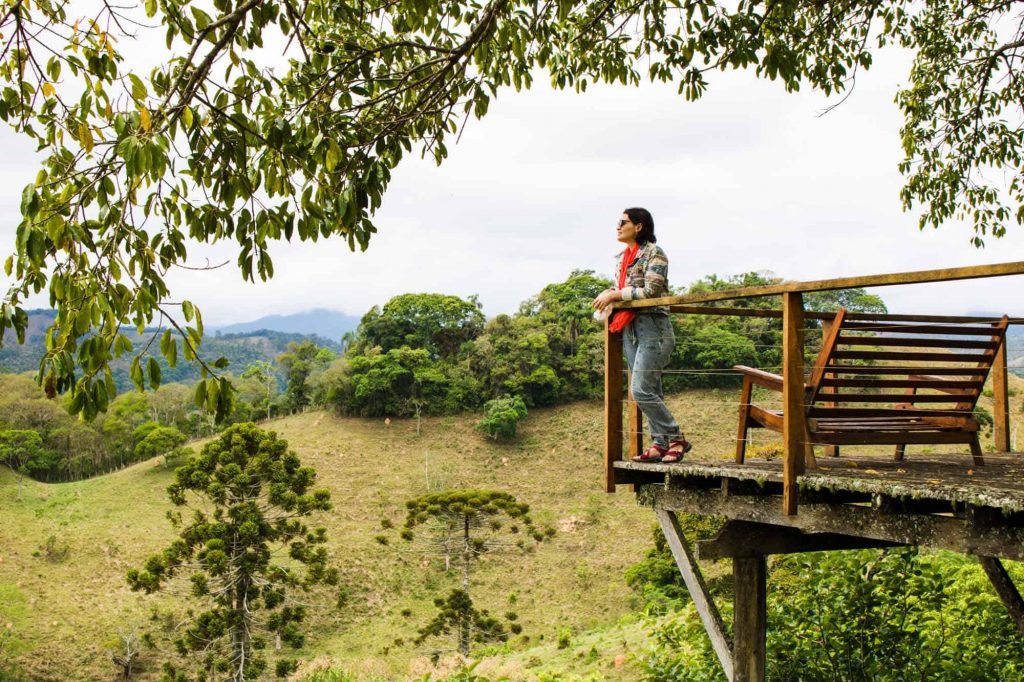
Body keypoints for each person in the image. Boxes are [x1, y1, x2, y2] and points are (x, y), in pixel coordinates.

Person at [592, 207, 691, 463]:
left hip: (653, 328)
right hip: (631, 328)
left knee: (640, 390)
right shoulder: (622, 258)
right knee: (651, 389)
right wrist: (612, 291)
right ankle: (659, 443)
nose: (617, 226)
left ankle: (676, 437)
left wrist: (616, 294)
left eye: (622, 222)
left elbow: (651, 292)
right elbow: (627, 288)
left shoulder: (655, 254)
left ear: (638, 226)